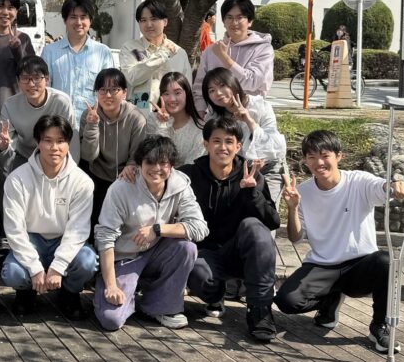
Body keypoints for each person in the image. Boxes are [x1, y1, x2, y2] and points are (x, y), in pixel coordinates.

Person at [274, 130, 404, 354]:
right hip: (322, 265)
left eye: (325, 155)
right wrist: (292, 209)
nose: (319, 163)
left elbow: (382, 187)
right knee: (286, 301)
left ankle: (379, 326)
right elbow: (295, 237)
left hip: (359, 265)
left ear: (339, 156)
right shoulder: (302, 191)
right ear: (305, 160)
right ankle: (330, 300)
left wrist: (396, 186)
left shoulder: (358, 181)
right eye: (311, 157)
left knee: (386, 261)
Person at [93, 136, 208, 331]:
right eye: (150, 162)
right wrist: (111, 286)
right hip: (125, 257)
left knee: (187, 248)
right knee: (111, 320)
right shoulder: (121, 188)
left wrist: (158, 229)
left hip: (157, 252)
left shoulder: (180, 184)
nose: (156, 168)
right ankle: (117, 286)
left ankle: (160, 306)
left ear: (172, 165)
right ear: (139, 164)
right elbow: (105, 237)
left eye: (163, 162)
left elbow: (200, 227)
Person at [183, 117, 280, 342]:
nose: (223, 147)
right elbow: (158, 178)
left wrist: (252, 193)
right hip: (206, 253)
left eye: (229, 141)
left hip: (240, 253)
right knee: (200, 276)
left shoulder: (252, 175)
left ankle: (260, 310)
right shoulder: (189, 175)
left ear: (238, 146)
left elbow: (272, 221)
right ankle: (216, 296)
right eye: (216, 141)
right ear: (206, 144)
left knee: (255, 228)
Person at [1, 115, 98, 319]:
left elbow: (78, 230)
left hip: (63, 239)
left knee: (88, 261)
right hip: (31, 240)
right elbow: (14, 230)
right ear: (38, 142)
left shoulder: (82, 182)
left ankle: (69, 292)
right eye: (48, 140)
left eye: (61, 141)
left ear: (68, 144)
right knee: (13, 272)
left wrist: (58, 266)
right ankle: (26, 291)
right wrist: (35, 269)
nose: (54, 147)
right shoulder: (17, 179)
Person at [201, 67, 287, 201]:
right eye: (211, 90)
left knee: (266, 209)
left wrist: (249, 120)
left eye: (222, 85)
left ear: (233, 83)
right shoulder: (213, 116)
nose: (218, 93)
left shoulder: (260, 106)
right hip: (236, 172)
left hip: (268, 168)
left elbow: (277, 147)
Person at [80, 68, 147, 228]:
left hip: (126, 176)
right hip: (97, 173)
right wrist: (92, 125)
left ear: (124, 93)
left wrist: (131, 165)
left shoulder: (136, 118)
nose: (108, 95)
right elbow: (88, 156)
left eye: (114, 89)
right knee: (95, 218)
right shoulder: (89, 115)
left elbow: (137, 154)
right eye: (103, 90)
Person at [0, 55, 78, 183]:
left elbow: (72, 141)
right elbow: (1, 148)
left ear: (47, 79)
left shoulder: (61, 102)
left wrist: (70, 170)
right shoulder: (10, 105)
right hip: (25, 156)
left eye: (37, 78)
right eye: (25, 78)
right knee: (10, 183)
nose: (31, 84)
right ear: (18, 81)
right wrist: (2, 147)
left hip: (55, 156)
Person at [192, 0, 274, 117]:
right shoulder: (211, 51)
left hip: (251, 114)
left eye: (240, 17)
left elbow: (253, 82)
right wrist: (200, 111)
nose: (234, 22)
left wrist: (224, 58)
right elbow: (200, 87)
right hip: (217, 117)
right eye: (229, 17)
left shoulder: (263, 49)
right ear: (223, 22)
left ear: (250, 21)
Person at [41, 0, 115, 123]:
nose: (78, 22)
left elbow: (109, 91)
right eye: (73, 17)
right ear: (65, 20)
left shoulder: (103, 52)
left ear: (90, 20)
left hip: (93, 123)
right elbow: (44, 90)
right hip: (59, 124)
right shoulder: (50, 52)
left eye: (83, 17)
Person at [120, 0, 191, 109]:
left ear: (165, 21)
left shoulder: (179, 53)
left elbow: (187, 89)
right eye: (143, 20)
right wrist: (162, 55)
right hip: (137, 114)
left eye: (154, 19)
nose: (149, 24)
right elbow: (132, 77)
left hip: (170, 114)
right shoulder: (130, 48)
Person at [145, 71, 204, 166]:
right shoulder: (152, 119)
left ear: (187, 93)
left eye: (177, 93)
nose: (172, 99)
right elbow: (155, 157)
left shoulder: (199, 129)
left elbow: (192, 167)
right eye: (166, 93)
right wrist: (162, 124)